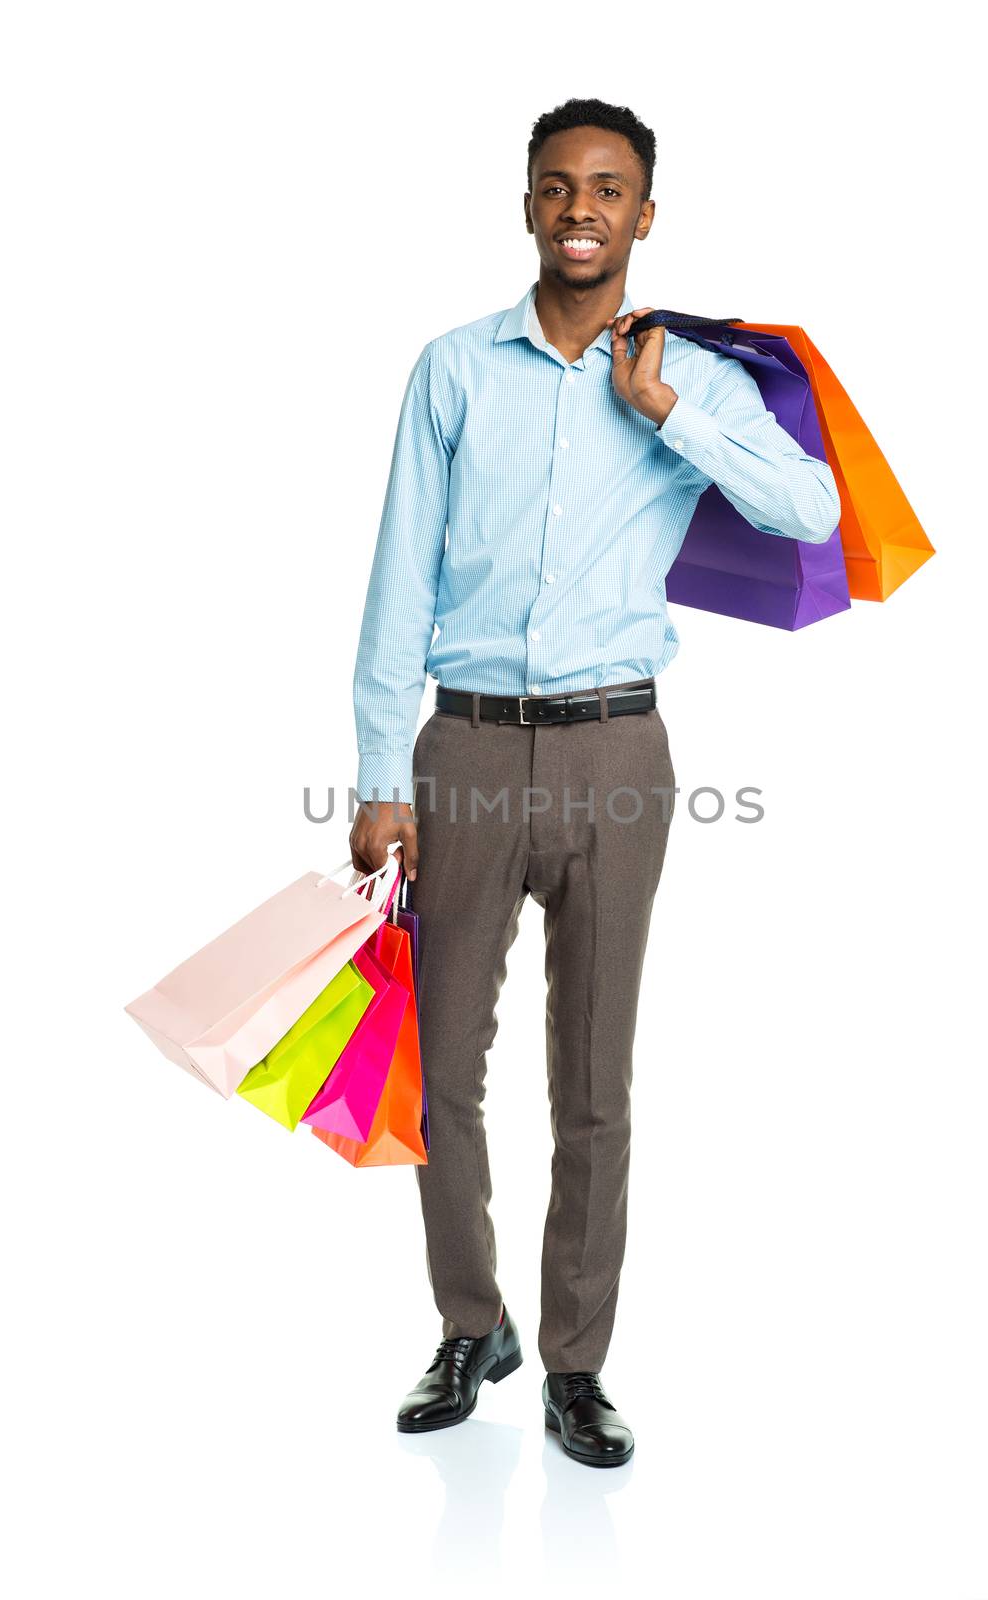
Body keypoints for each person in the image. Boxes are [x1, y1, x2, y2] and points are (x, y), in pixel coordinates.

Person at [349, 96, 840, 1467]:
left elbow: (807, 510)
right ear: (527, 205)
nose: (582, 206)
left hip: (619, 749)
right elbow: (398, 578)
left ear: (643, 215)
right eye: (558, 184)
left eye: (609, 187)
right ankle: (470, 1325)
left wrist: (669, 407)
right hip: (461, 748)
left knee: (593, 1077)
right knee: (438, 1063)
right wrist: (382, 769)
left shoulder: (694, 375)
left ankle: (576, 1362)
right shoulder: (452, 370)